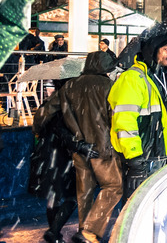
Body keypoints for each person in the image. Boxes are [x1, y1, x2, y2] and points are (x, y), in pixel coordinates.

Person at [42, 51, 121, 243]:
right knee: (114, 187)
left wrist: (37, 130)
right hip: (103, 149)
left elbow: (45, 112)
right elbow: (116, 117)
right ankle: (88, 232)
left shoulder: (70, 86)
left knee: (84, 194)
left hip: (79, 150)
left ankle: (84, 231)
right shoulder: (109, 86)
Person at [108, 33, 167, 199]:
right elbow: (124, 121)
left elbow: (165, 111)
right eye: (166, 49)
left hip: (161, 157)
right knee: (141, 214)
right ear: (152, 51)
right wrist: (134, 158)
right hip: (145, 160)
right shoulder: (133, 78)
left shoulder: (158, 77)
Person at [30, 92, 80, 243]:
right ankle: (53, 231)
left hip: (45, 154)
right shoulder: (67, 104)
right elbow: (65, 133)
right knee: (73, 196)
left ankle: (55, 233)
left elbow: (37, 128)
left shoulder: (47, 104)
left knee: (54, 197)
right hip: (61, 156)